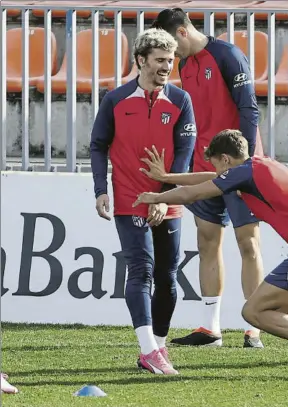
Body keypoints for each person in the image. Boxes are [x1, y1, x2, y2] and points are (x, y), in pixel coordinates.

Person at [133, 130, 288, 379]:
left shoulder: (243, 174)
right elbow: (208, 179)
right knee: (276, 309)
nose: (218, 173)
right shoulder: (258, 166)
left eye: (217, 165)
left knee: (253, 312)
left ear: (225, 159)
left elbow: (196, 193)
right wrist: (168, 177)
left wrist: (157, 197)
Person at [151, 8, 265, 348]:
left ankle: (254, 327)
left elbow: (249, 108)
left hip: (240, 165)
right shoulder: (186, 66)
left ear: (183, 32)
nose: (171, 57)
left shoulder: (228, 55)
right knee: (207, 241)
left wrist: (245, 163)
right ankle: (210, 327)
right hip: (207, 165)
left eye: (173, 46)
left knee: (248, 244)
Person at [90, 28, 196, 375]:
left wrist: (165, 195)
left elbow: (185, 152)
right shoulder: (115, 99)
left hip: (169, 199)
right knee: (142, 270)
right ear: (140, 60)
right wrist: (100, 189)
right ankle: (149, 349)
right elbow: (98, 145)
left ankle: (158, 348)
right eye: (160, 60)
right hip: (130, 198)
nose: (167, 66)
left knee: (167, 276)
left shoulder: (181, 100)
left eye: (171, 60)